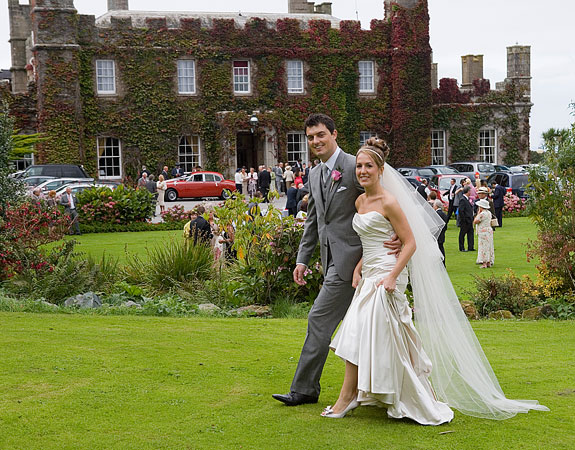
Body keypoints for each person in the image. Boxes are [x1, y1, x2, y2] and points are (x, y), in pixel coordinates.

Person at [321, 140, 548, 423]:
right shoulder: (360, 201)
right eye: (359, 166)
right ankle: (396, 391)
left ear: (381, 170)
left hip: (389, 275)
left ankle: (351, 397)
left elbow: (411, 242)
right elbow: (372, 242)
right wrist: (358, 268)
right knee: (379, 335)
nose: (363, 171)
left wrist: (392, 276)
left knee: (365, 331)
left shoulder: (389, 201)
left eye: (369, 166)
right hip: (369, 273)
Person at [272, 114, 400, 407]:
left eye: (320, 135)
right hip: (333, 262)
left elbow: (388, 198)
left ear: (334, 134)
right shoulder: (315, 174)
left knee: (319, 318)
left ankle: (304, 389)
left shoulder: (357, 164)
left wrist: (398, 235)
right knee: (378, 327)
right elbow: (315, 221)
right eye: (310, 137)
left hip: (359, 264)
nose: (315, 141)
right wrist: (302, 260)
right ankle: (390, 390)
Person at [474, 198, 495, 268]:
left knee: (483, 247)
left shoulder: (482, 214)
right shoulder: (489, 213)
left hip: (483, 231)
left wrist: (478, 214)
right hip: (488, 230)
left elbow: (476, 221)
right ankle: (489, 261)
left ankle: (484, 262)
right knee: (489, 246)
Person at [458, 185, 475, 252]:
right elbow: (461, 211)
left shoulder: (467, 199)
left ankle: (470, 247)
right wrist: (464, 219)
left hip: (470, 219)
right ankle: (461, 247)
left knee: (470, 233)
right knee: (462, 234)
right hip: (465, 220)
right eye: (470, 191)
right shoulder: (462, 199)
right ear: (468, 191)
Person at [433, 198, 448, 265]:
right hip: (442, 234)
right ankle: (442, 262)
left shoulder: (436, 214)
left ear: (436, 206)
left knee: (439, 249)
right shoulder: (444, 214)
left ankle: (440, 263)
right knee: (441, 248)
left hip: (438, 234)